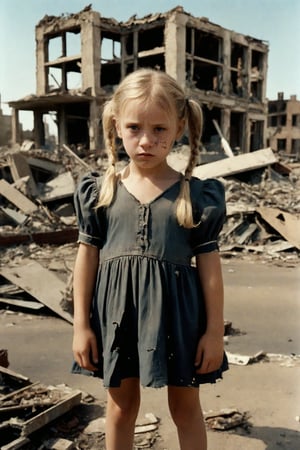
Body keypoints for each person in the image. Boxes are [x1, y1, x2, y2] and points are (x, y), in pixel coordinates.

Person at [72, 68, 228, 450]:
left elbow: (210, 271)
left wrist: (213, 332)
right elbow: (86, 259)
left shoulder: (196, 196)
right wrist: (81, 326)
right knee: (121, 408)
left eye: (159, 129)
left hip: (180, 318)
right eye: (134, 128)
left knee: (186, 409)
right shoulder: (101, 193)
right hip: (115, 316)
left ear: (179, 128)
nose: (146, 140)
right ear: (116, 126)